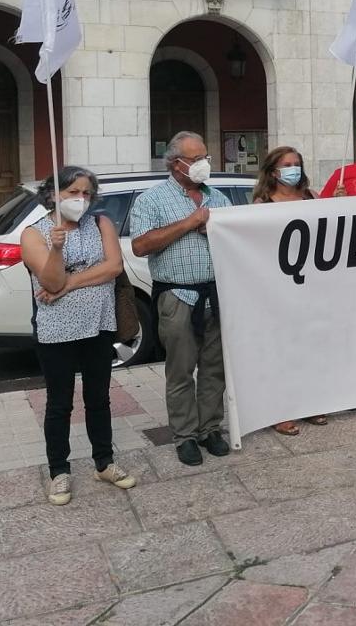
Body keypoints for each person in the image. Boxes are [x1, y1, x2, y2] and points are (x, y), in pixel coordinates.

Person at [20, 166, 135, 505]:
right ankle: (59, 471)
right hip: (57, 332)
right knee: (59, 404)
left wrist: (67, 284)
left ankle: (104, 462)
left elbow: (113, 266)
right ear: (53, 195)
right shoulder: (34, 234)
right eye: (72, 193)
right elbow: (49, 282)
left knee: (99, 399)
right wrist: (56, 251)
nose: (80, 199)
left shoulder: (101, 224)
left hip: (99, 325)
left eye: (86, 193)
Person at [131, 131, 233, 466]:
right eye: (198, 158)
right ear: (177, 164)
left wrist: (214, 230)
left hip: (215, 295)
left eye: (206, 157)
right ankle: (185, 436)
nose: (205, 163)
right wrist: (189, 223)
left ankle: (210, 429)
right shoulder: (152, 200)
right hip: (177, 295)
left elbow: (236, 243)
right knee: (180, 371)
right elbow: (141, 245)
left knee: (214, 369)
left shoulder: (218, 198)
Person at [253, 146, 330, 434]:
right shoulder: (263, 204)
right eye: (287, 164)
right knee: (282, 349)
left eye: (297, 163)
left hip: (312, 286)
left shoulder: (311, 197)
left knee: (311, 346)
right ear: (273, 171)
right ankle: (280, 411)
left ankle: (310, 403)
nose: (293, 169)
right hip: (278, 288)